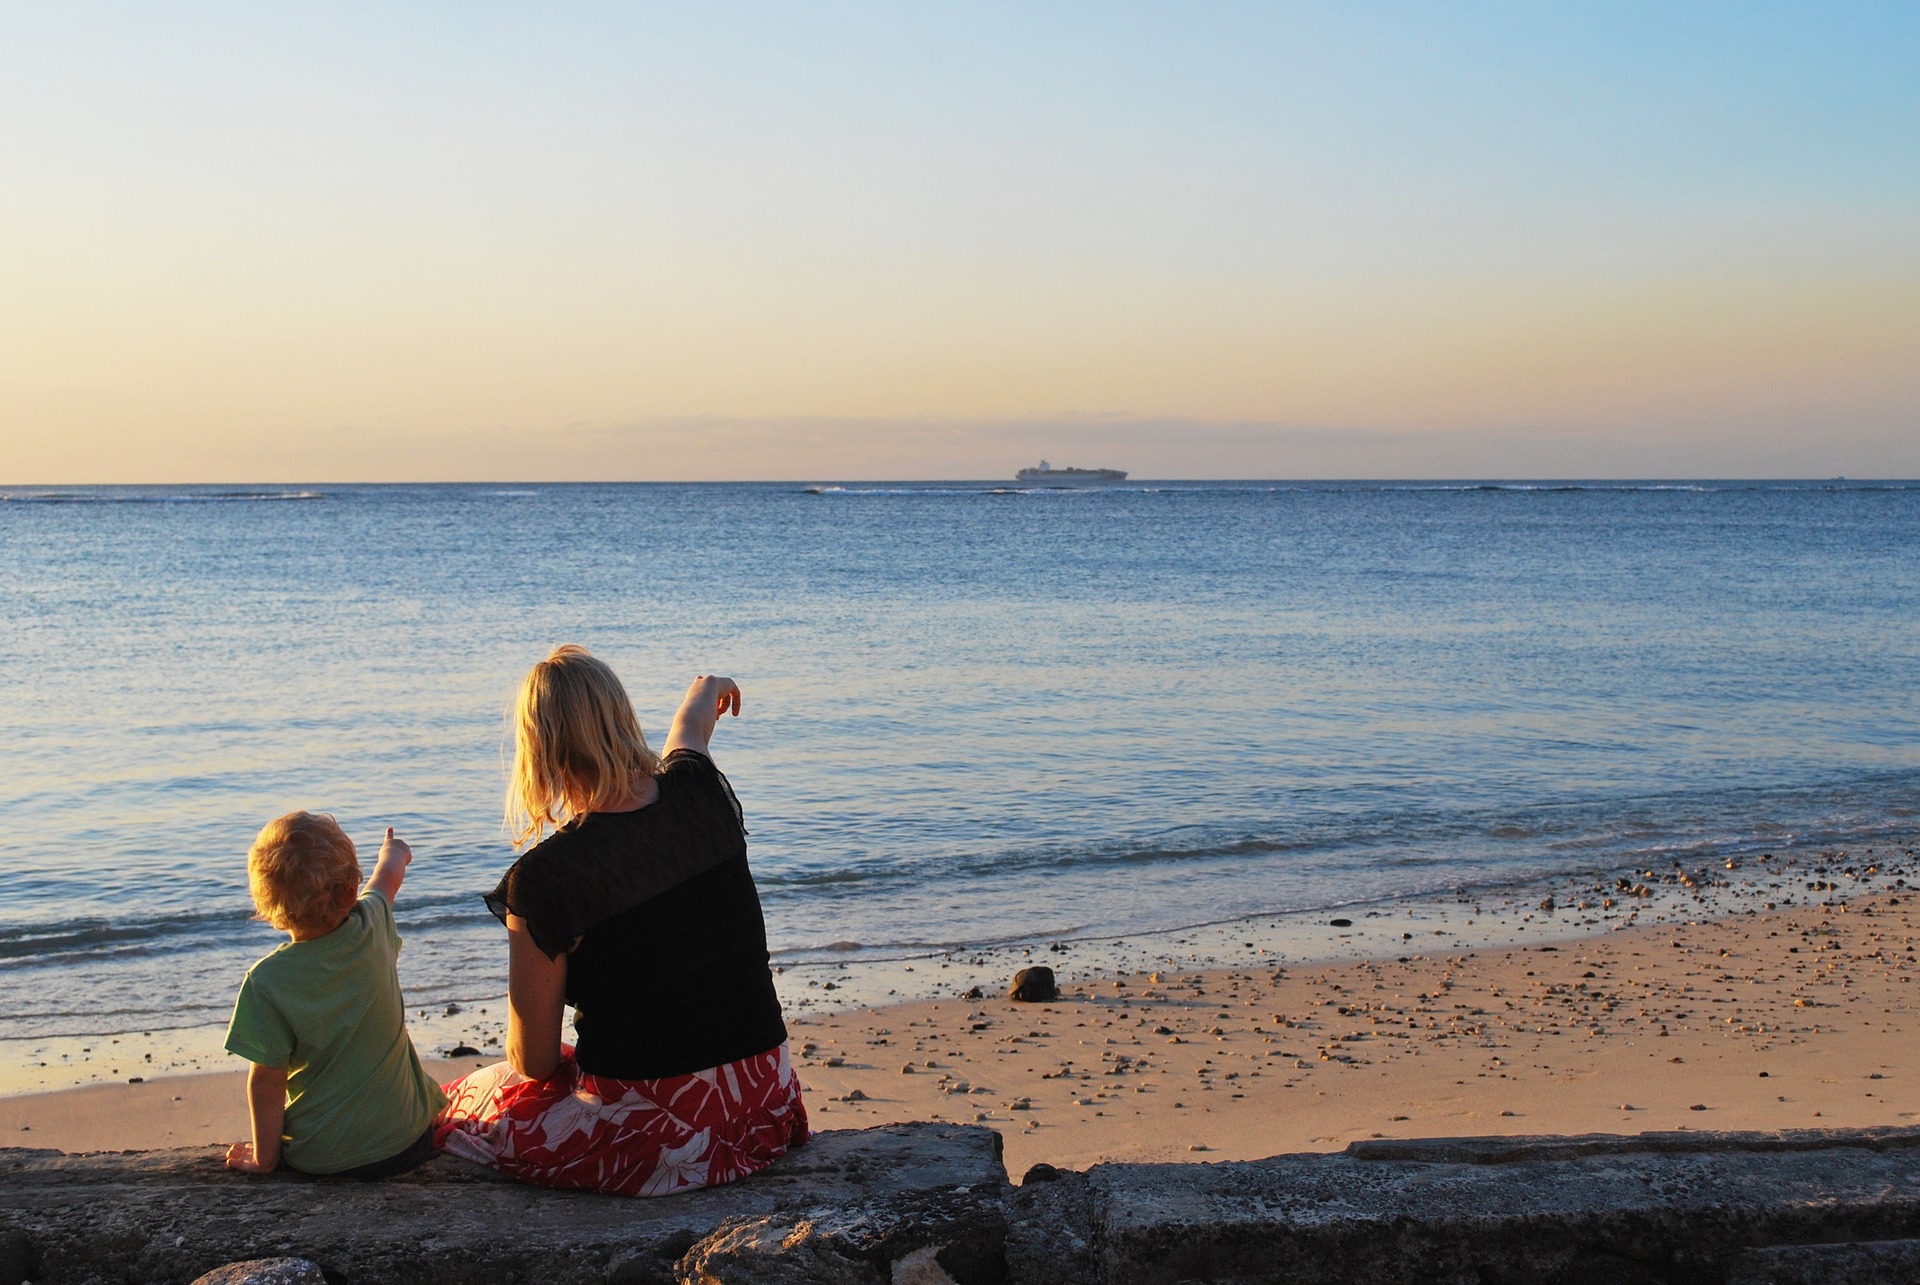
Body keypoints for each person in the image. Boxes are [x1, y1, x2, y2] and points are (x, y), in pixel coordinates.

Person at [434, 646, 808, 1196]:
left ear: (537, 752)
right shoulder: (701, 790)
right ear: (622, 718)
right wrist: (708, 686)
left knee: (462, 1105)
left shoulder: (543, 881)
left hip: (658, 1144)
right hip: (763, 1107)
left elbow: (533, 1061)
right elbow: (691, 730)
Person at [224, 813, 446, 1177]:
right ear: (350, 888)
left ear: (268, 905)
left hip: (322, 1159)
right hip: (408, 1142)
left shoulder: (266, 982)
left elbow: (267, 1081)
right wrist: (394, 851)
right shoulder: (373, 923)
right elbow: (387, 878)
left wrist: (265, 1159)